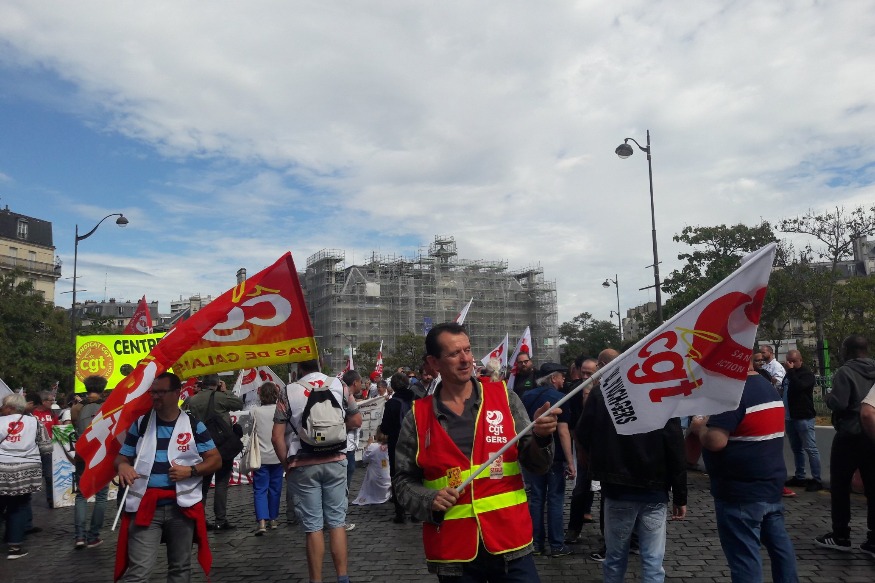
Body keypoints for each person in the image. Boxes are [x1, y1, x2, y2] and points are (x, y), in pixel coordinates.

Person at [394, 322, 559, 581]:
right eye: (454, 353)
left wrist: (541, 436)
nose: (465, 360)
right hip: (454, 553)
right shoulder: (416, 417)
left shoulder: (505, 398)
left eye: (467, 350)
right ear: (434, 363)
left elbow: (538, 465)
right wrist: (429, 499)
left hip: (511, 544)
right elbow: (403, 482)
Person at [578, 348, 687, 583]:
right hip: (653, 489)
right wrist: (680, 495)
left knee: (615, 558)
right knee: (653, 561)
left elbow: (583, 434)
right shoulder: (663, 394)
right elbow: (676, 447)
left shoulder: (602, 392)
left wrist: (600, 459)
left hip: (618, 487)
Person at [692, 354, 798, 582]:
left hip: (740, 491)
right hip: (770, 484)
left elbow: (716, 440)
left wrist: (699, 427)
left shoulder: (733, 393)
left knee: (744, 556)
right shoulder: (766, 386)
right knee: (780, 548)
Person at [115, 372, 221, 582]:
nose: (155, 397)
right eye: (153, 392)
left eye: (161, 392)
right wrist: (123, 466)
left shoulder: (194, 425)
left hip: (181, 508)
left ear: (176, 393)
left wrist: (191, 471)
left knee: (180, 569)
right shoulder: (141, 424)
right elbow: (122, 457)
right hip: (145, 507)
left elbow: (215, 460)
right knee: (138, 572)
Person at [271, 358, 362, 583]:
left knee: (313, 527)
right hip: (336, 460)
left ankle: (316, 580)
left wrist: (287, 465)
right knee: (337, 523)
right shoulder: (340, 385)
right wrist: (333, 430)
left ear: (298, 367)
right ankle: (343, 577)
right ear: (320, 363)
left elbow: (276, 437)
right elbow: (357, 420)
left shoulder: (287, 392)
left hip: (302, 464)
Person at [815, 334, 875, 556]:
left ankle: (841, 535)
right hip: (871, 433)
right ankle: (873, 539)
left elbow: (838, 403)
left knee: (840, 485)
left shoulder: (845, 372)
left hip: (849, 434)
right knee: (872, 486)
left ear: (847, 350)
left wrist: (829, 396)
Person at [522, 363, 575, 557]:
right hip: (554, 456)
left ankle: (536, 543)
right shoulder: (561, 398)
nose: (563, 379)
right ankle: (556, 544)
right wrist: (570, 461)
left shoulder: (526, 396)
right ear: (553, 378)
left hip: (532, 454)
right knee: (555, 499)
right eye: (561, 376)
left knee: (536, 498)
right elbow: (563, 431)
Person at [183, 373, 243, 531]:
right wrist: (225, 390)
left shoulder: (192, 400)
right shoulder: (220, 396)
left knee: (202, 485)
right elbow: (239, 403)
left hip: (202, 445)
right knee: (221, 483)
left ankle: (200, 520)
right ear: (217, 383)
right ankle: (220, 519)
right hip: (223, 445)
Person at [0, 393, 52, 560]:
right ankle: (14, 547)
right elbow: (46, 448)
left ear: (10, 407)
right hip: (26, 469)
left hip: (2, 468)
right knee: (19, 506)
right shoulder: (35, 422)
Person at [74, 376, 110, 549]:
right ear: (103, 389)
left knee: (81, 495)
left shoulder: (77, 407)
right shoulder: (109, 405)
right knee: (101, 496)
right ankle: (93, 536)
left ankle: (79, 536)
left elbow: (75, 427)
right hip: (102, 454)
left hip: (83, 454)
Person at [565, 357, 598, 544]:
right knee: (580, 489)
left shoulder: (603, 391)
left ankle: (608, 535)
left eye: (589, 373)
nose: (585, 376)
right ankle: (574, 529)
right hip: (583, 447)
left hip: (604, 448)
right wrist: (578, 448)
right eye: (583, 372)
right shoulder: (575, 391)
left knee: (608, 493)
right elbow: (572, 424)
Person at [782, 350, 822, 492]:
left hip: (803, 417)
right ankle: (800, 476)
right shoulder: (789, 374)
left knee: (810, 448)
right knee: (796, 449)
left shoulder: (806, 374)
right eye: (788, 361)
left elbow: (799, 387)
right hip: (790, 417)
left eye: (793, 361)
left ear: (800, 360)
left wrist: (791, 371)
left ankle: (817, 479)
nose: (790, 364)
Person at [380, 371, 417, 523]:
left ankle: (400, 512)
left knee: (397, 477)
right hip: (415, 444)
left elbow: (385, 428)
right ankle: (416, 511)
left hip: (396, 445)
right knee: (415, 476)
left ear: (393, 386)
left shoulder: (391, 403)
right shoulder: (416, 400)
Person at [250, 381, 283, 536]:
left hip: (261, 457)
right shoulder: (280, 410)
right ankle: (273, 519)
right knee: (275, 489)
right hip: (277, 455)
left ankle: (262, 521)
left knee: (260, 489)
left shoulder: (255, 411)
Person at [30, 390, 57, 508]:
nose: (53, 402)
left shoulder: (52, 413)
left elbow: (57, 427)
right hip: (33, 449)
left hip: (48, 449)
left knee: (49, 475)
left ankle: (51, 498)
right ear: (43, 401)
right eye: (51, 400)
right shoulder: (32, 413)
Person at [352, 429, 391, 506]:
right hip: (388, 480)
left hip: (376, 480)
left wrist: (369, 444)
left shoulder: (373, 447)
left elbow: (364, 459)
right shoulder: (392, 446)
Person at [341, 370, 363, 499]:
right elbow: (357, 421)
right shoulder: (347, 396)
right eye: (360, 382)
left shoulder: (345, 395)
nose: (362, 385)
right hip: (346, 446)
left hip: (347, 445)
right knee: (347, 473)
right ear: (355, 383)